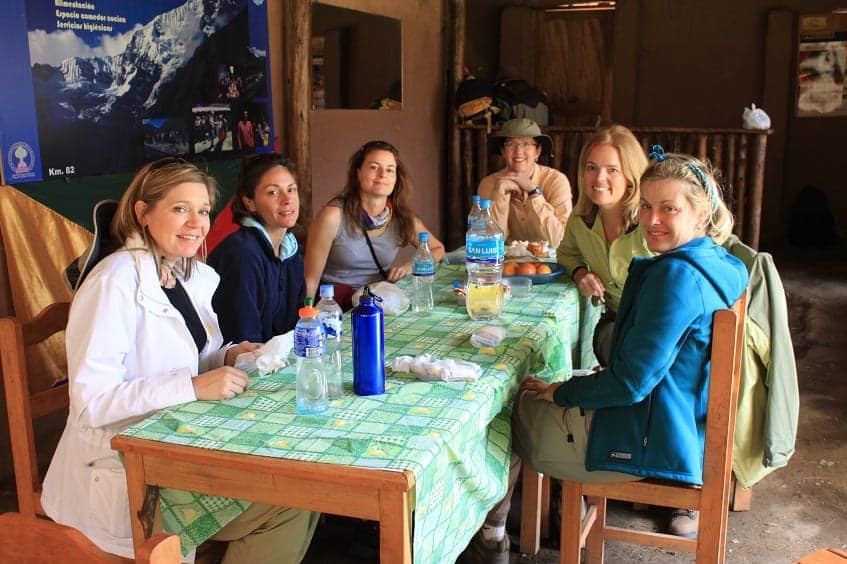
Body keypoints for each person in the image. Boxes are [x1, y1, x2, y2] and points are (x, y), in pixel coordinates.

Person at [460, 148, 749, 563]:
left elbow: (630, 384)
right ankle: (548, 510)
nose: (651, 220)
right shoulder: (720, 262)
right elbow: (651, 364)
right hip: (681, 420)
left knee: (503, 413)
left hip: (649, 439)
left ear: (700, 215)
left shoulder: (675, 277)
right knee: (549, 392)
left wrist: (563, 392)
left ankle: (492, 535)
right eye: (647, 207)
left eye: (669, 209)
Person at [41, 158, 319, 563]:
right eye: (180, 209)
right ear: (143, 213)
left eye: (203, 210)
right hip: (127, 471)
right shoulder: (113, 282)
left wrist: (230, 355)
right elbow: (91, 401)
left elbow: (193, 357)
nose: (197, 222)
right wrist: (191, 388)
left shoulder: (182, 273)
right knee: (287, 502)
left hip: (178, 449)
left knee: (299, 488)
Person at [305, 139, 445, 309]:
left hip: (376, 300)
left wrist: (411, 266)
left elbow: (438, 250)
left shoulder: (401, 217)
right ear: (357, 172)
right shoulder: (333, 216)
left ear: (396, 178)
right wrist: (307, 317)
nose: (382, 175)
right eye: (373, 167)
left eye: (389, 170)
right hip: (335, 305)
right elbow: (310, 279)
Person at [556, 124, 651, 366]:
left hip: (658, 328)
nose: (599, 178)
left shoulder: (651, 223)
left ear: (631, 178)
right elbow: (566, 253)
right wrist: (580, 273)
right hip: (616, 324)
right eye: (591, 168)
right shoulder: (581, 221)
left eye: (613, 170)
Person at [207, 153, 305, 342]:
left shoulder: (290, 250)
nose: (287, 199)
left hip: (276, 358)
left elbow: (297, 322)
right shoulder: (242, 253)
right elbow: (244, 337)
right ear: (250, 202)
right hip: (241, 363)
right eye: (273, 192)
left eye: (291, 190)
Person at [476, 118, 573, 248]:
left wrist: (534, 192)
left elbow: (561, 241)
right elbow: (490, 244)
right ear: (503, 152)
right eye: (511, 144)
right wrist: (499, 194)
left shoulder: (556, 181)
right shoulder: (489, 184)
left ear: (537, 151)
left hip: (550, 264)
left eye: (527, 144)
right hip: (508, 263)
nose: (518, 151)